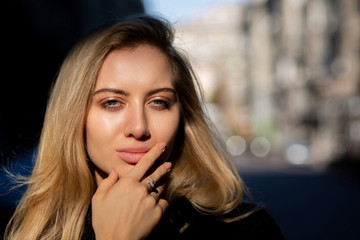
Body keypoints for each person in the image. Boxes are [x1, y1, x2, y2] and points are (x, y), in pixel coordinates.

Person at [5, 15, 284, 240]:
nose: (139, 128)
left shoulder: (244, 229)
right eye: (113, 102)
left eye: (159, 102)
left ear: (183, 116)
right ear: (74, 116)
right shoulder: (33, 230)